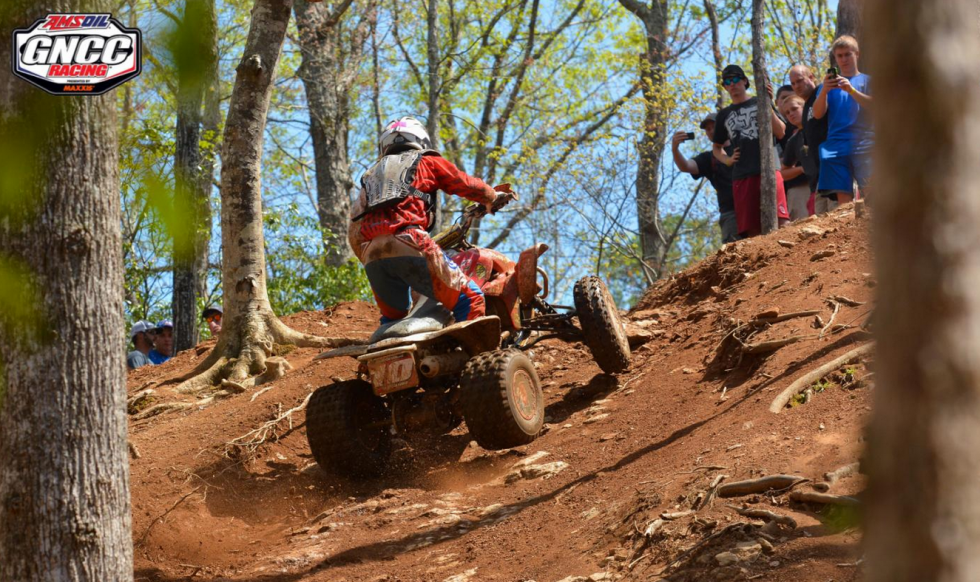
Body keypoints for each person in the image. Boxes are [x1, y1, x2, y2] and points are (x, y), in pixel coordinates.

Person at [348, 117, 508, 327]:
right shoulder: (426, 160)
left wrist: (370, 258)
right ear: (421, 140)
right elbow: (465, 183)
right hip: (410, 240)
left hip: (371, 253)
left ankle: (386, 355)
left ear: (384, 145)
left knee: (394, 320)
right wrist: (491, 197)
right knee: (470, 297)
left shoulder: (370, 176)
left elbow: (354, 228)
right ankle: (479, 356)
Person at [712, 65, 790, 238]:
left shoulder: (759, 101)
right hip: (742, 174)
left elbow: (781, 131)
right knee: (752, 229)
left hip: (770, 168)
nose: (732, 84)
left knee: (781, 219)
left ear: (744, 81)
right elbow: (716, 148)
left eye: (735, 79)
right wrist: (727, 160)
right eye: (727, 81)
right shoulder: (724, 115)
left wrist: (767, 104)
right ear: (724, 86)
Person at [812, 35, 873, 206]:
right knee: (843, 201)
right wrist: (824, 91)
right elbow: (817, 114)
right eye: (839, 56)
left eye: (848, 54)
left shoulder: (868, 80)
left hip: (865, 141)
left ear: (857, 54)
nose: (844, 59)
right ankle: (847, 230)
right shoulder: (827, 87)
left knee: (872, 193)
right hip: (837, 143)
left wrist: (851, 90)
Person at [670, 112, 738, 243]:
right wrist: (675, 150)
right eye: (708, 129)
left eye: (714, 126)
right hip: (730, 213)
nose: (712, 131)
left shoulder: (741, 146)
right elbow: (686, 166)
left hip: (753, 206)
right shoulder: (708, 158)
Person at [789, 64, 831, 213]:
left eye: (799, 80)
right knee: (822, 223)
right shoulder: (806, 106)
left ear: (811, 77)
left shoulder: (823, 92)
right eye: (793, 84)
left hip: (835, 164)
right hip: (820, 175)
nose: (796, 86)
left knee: (838, 212)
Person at [779, 94, 818, 220]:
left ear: (805, 107)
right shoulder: (793, 141)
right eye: (787, 113)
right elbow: (783, 173)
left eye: (794, 109)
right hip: (815, 190)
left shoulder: (821, 125)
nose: (790, 114)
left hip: (835, 183)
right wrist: (801, 169)